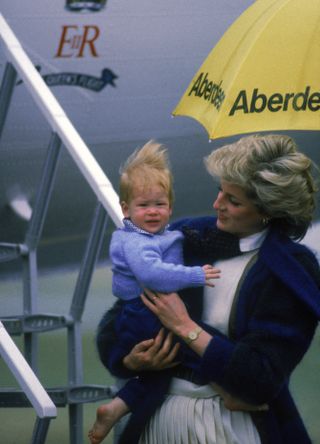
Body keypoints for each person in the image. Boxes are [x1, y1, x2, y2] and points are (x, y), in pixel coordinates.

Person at [95, 133, 320, 444]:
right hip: (159, 416)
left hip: (236, 427)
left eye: (233, 200)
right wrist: (128, 359)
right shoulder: (186, 237)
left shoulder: (290, 271)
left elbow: (261, 377)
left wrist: (185, 327)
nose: (217, 204)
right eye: (220, 192)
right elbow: (122, 313)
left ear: (269, 210)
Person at [89, 140, 226, 444]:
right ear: (125, 210)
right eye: (143, 206)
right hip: (143, 313)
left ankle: (116, 409)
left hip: (145, 311)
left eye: (159, 204)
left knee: (158, 376)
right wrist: (195, 275)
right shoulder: (135, 241)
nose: (152, 212)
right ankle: (235, 385)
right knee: (199, 351)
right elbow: (152, 275)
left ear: (170, 206)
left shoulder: (159, 235)